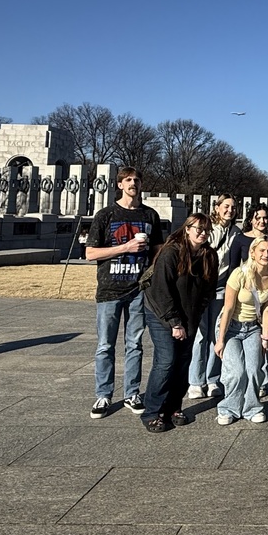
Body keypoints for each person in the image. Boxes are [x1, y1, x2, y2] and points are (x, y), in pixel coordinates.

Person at [85, 166, 163, 420]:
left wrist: (153, 273)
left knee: (135, 344)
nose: (133, 184)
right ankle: (103, 394)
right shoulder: (106, 215)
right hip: (110, 289)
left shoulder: (150, 215)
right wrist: (125, 247)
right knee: (105, 345)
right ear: (119, 185)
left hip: (139, 290)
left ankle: (132, 392)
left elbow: (158, 252)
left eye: (137, 180)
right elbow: (90, 253)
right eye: (128, 180)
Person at [142, 213, 218, 432]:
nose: (202, 233)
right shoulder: (171, 252)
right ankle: (152, 411)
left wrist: (193, 317)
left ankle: (174, 406)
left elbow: (207, 290)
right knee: (166, 361)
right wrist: (175, 323)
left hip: (189, 316)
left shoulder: (208, 255)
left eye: (206, 230)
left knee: (183, 361)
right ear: (187, 229)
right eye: (198, 229)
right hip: (161, 315)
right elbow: (161, 291)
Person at [214, 235, 268, 425]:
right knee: (236, 371)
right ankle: (228, 408)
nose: (266, 254)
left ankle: (252, 407)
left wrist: (265, 337)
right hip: (231, 327)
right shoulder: (239, 274)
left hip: (253, 327)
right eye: (262, 250)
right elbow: (227, 308)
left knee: (253, 370)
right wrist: (220, 339)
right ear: (252, 252)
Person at [187, 194, 241, 400]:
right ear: (217, 207)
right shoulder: (208, 230)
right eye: (226, 206)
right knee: (201, 335)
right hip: (202, 287)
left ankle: (212, 379)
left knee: (217, 335)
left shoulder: (236, 232)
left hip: (222, 288)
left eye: (233, 207)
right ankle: (195, 381)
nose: (230, 210)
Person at [232, 203, 268, 396]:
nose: (262, 221)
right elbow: (234, 269)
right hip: (247, 302)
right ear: (251, 219)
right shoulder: (240, 239)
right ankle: (246, 379)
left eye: (265, 218)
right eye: (258, 217)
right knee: (248, 345)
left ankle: (262, 380)